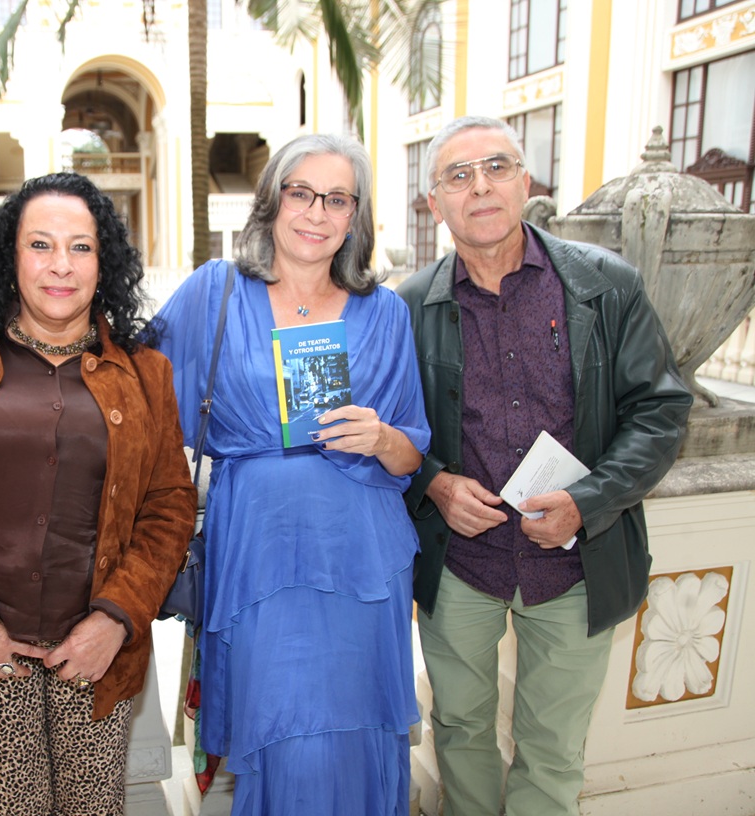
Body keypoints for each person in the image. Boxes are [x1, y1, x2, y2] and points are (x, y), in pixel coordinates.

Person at [396, 115, 693, 816]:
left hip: (574, 561)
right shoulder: (407, 307)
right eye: (458, 177)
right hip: (460, 562)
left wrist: (589, 501)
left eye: (497, 168)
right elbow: (388, 434)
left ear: (526, 182)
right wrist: (434, 481)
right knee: (460, 729)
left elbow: (661, 411)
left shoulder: (605, 286)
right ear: (435, 202)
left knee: (552, 747)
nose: (481, 188)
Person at [0, 172, 196, 816]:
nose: (61, 265)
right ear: (10, 258)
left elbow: (169, 506)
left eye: (81, 247)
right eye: (40, 245)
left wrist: (115, 619)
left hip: (92, 651)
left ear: (102, 262)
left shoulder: (147, 373)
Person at [149, 134, 431, 815]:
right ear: (273, 201)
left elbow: (411, 456)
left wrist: (383, 436)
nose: (316, 212)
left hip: (362, 559)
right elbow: (138, 394)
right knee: (279, 732)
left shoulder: (385, 311)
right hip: (259, 553)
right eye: (301, 192)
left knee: (357, 729)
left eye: (337, 199)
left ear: (355, 216)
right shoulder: (213, 293)